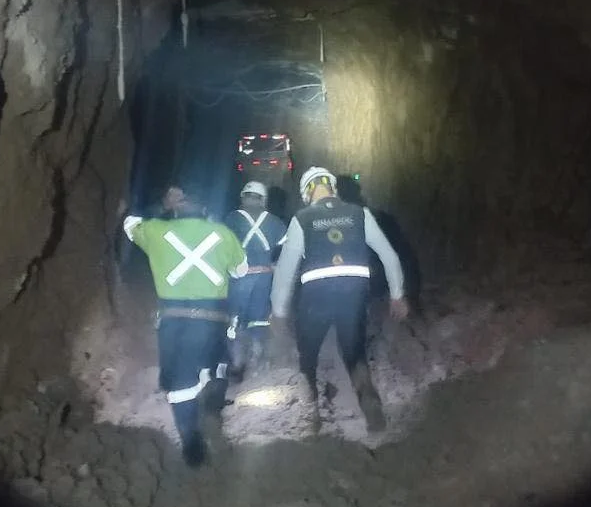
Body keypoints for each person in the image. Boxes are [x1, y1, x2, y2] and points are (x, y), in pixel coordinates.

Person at [270, 166, 410, 433]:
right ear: (332, 187)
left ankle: (311, 410)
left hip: (316, 295)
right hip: (353, 292)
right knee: (354, 352)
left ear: (307, 192)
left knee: (308, 353)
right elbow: (389, 256)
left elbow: (286, 269)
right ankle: (368, 400)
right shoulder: (360, 213)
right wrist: (397, 296)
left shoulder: (302, 218)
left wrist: (279, 311)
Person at [123, 184, 249, 467]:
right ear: (205, 209)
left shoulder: (156, 231)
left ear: (176, 208)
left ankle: (191, 442)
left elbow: (129, 223)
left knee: (180, 384)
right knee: (215, 366)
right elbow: (240, 270)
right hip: (213, 319)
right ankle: (213, 411)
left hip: (174, 320)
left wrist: (161, 207)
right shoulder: (222, 234)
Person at [222, 181, 289, 381]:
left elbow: (222, 248)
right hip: (264, 277)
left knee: (235, 319)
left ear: (243, 197)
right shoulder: (275, 222)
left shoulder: (231, 219)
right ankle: (257, 359)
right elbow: (283, 250)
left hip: (239, 277)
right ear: (263, 199)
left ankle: (236, 363)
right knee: (259, 318)